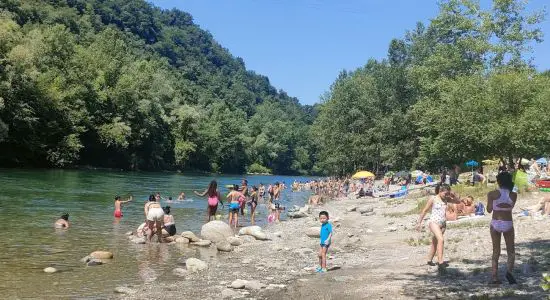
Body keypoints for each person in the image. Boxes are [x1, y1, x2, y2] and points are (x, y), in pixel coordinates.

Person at [416, 184, 457, 269]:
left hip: (443, 224)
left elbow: (458, 201)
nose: (447, 195)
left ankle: (429, 260)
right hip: (433, 222)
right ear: (440, 191)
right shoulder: (433, 198)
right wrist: (419, 222)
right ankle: (440, 261)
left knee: (435, 243)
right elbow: (425, 210)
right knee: (441, 240)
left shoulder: (446, 199)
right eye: (445, 193)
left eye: (448, 193)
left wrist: (454, 195)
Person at [487, 172, 517, 284]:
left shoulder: (492, 194)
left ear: (498, 181)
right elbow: (510, 208)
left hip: (495, 223)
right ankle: (509, 272)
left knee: (496, 251)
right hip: (508, 223)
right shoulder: (514, 195)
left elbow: (489, 210)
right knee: (511, 251)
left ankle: (494, 276)